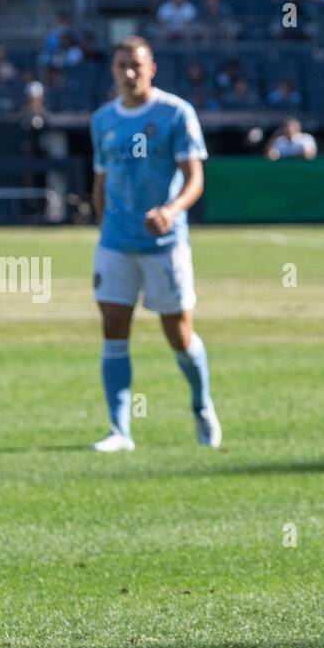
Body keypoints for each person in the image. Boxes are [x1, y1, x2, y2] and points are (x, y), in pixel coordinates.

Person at [88, 36, 218, 452]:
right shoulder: (103, 120)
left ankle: (201, 405)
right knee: (113, 329)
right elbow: (101, 180)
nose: (129, 73)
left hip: (164, 244)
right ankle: (119, 430)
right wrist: (100, 222)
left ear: (152, 68)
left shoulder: (175, 113)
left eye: (136, 66)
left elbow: (194, 176)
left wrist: (172, 210)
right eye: (121, 65)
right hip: (115, 243)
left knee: (178, 336)